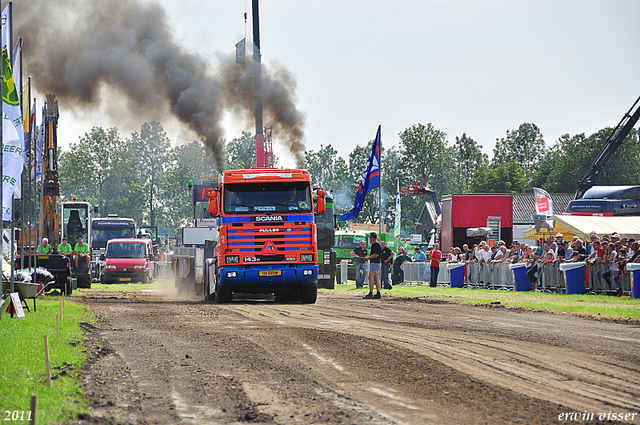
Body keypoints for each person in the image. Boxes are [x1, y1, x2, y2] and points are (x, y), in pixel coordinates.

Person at [363, 232, 382, 299]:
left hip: (375, 263)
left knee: (370, 277)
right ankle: (378, 293)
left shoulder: (376, 245)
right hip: (376, 263)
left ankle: (371, 293)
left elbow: (376, 254)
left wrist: (368, 258)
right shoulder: (375, 244)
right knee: (376, 278)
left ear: (371, 237)